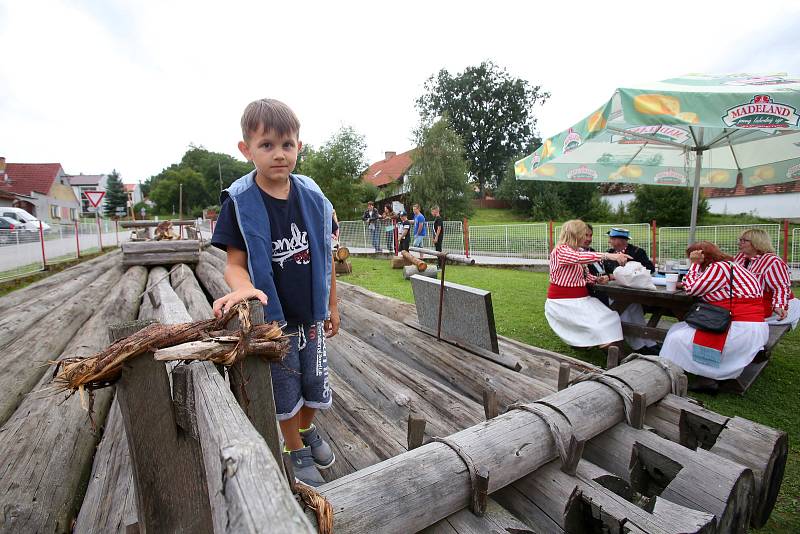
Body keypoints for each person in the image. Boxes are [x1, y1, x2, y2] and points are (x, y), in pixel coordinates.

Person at [210, 98, 339, 487]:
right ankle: (292, 447)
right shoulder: (240, 202)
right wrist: (244, 288)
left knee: (314, 382)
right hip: (275, 319)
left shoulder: (313, 197)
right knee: (284, 386)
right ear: (246, 149)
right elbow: (234, 263)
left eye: (287, 144)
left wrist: (333, 304)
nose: (279, 154)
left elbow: (326, 256)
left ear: (299, 146)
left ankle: (306, 430)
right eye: (266, 145)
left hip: (311, 313)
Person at [659, 241, 768, 384]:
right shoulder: (730, 266)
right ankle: (700, 373)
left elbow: (692, 289)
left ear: (702, 256)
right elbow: (697, 284)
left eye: (692, 257)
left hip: (739, 328)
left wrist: (694, 264)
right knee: (677, 329)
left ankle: (701, 376)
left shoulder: (719, 268)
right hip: (751, 325)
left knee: (676, 337)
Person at [545, 219, 631, 348]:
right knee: (598, 326)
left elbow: (582, 274)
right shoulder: (560, 251)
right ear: (576, 235)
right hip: (564, 302)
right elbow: (578, 259)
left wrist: (595, 279)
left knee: (610, 318)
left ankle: (610, 350)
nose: (586, 238)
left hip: (580, 299)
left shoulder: (577, 251)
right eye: (584, 234)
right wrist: (610, 256)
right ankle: (609, 352)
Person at [603, 227, 659, 354]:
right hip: (615, 292)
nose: (610, 241)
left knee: (634, 307)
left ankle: (649, 342)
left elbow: (649, 269)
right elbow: (606, 272)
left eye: (612, 239)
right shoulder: (609, 253)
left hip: (635, 292)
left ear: (621, 241)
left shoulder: (637, 252)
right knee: (625, 309)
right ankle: (640, 345)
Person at [734, 228, 799, 329]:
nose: (740, 243)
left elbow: (781, 287)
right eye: (740, 240)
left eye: (744, 240)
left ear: (757, 243)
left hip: (771, 304)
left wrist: (779, 306)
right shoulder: (740, 257)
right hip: (751, 302)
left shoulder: (772, 261)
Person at [580, 223, 610, 306]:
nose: (589, 239)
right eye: (586, 235)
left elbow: (602, 270)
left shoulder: (593, 251)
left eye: (590, 235)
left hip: (601, 293)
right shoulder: (575, 254)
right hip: (586, 298)